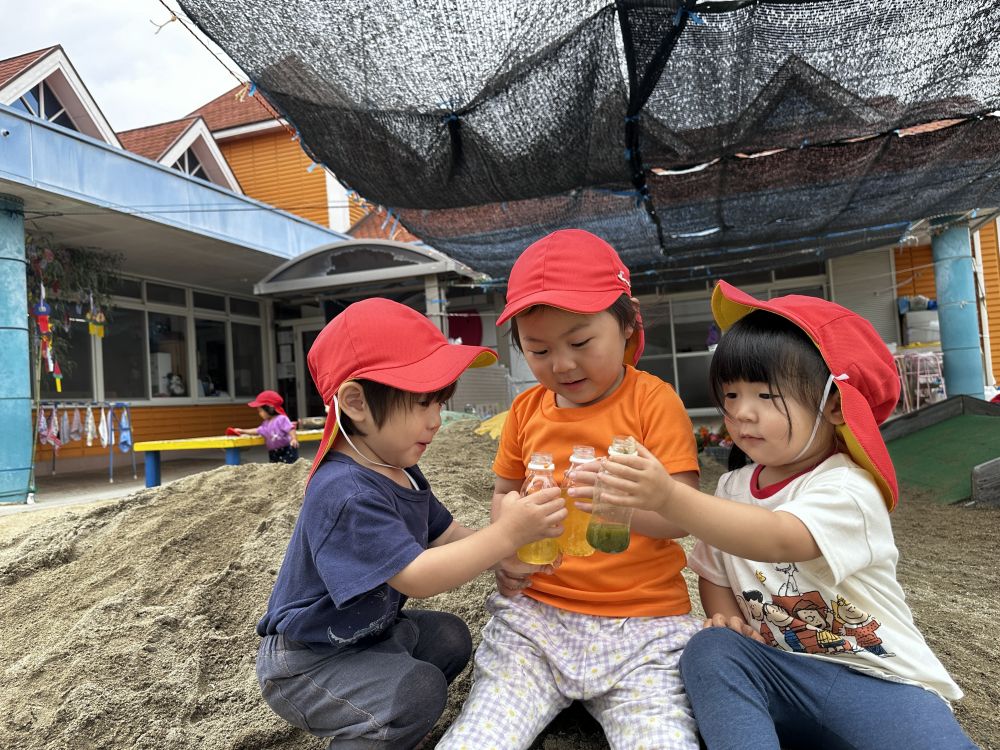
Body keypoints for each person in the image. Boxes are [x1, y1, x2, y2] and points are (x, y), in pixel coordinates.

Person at [586, 280, 976, 749]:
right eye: (730, 395)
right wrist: (730, 620)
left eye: (766, 397)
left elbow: (781, 537)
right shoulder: (732, 488)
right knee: (710, 649)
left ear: (834, 405)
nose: (741, 413)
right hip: (782, 679)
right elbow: (715, 571)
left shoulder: (847, 487)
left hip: (879, 682)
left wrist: (668, 498)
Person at [255, 298, 567, 750]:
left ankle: (389, 718)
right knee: (420, 691)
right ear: (356, 402)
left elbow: (449, 536)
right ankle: (378, 724)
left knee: (449, 637)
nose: (437, 421)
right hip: (309, 662)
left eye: (440, 403)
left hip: (367, 635)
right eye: (423, 403)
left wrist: (507, 556)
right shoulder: (346, 491)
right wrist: (506, 533)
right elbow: (418, 576)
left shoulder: (397, 466)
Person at [439, 229, 703, 749]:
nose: (560, 364)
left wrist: (621, 503)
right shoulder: (525, 411)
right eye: (537, 350)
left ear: (628, 325)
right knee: (480, 736)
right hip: (537, 620)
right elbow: (504, 495)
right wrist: (508, 546)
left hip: (642, 626)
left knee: (662, 740)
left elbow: (682, 515)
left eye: (580, 343)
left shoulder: (653, 401)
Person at [234, 389, 299, 463]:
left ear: (270, 408)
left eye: (260, 411)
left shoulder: (281, 419)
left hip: (286, 450)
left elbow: (290, 428)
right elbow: (257, 430)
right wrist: (242, 431)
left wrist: (293, 439)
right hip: (273, 452)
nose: (259, 414)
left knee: (289, 467)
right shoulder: (266, 423)